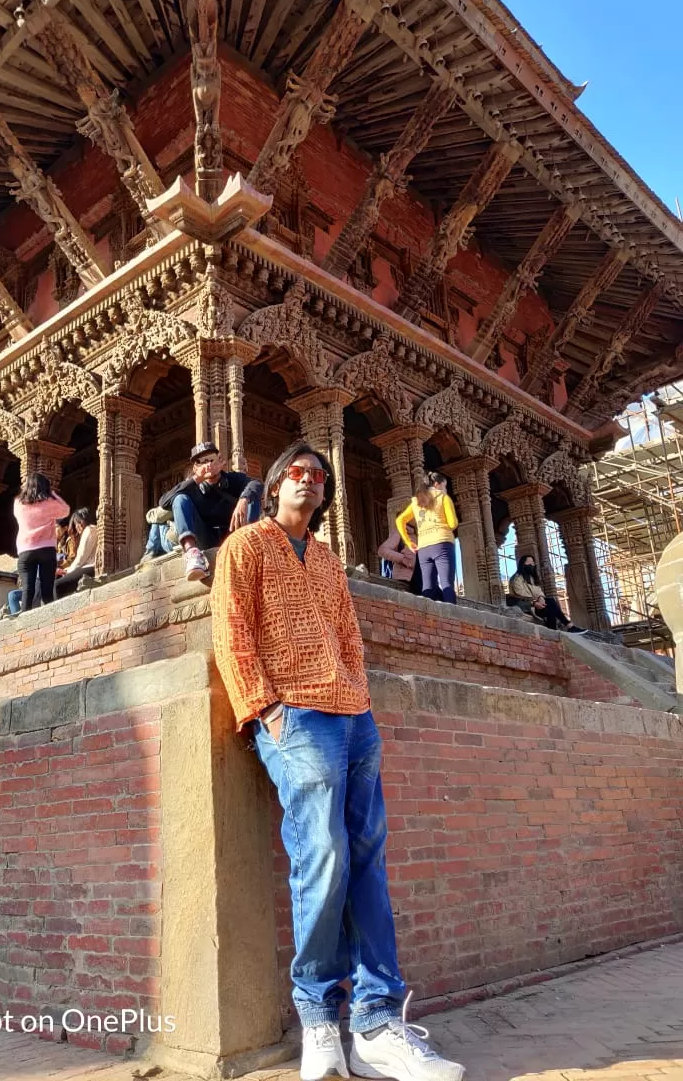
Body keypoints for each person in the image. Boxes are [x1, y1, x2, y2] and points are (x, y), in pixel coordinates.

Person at [211, 441, 465, 1081]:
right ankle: (320, 1019)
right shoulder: (244, 547)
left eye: (321, 476)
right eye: (297, 472)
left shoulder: (325, 561)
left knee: (367, 857)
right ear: (274, 485)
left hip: (353, 718)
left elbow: (349, 636)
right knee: (321, 852)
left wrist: (358, 694)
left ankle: (377, 1021)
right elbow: (232, 629)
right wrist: (265, 708)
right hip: (292, 714)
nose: (310, 481)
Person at [158, 441, 263, 581]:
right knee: (180, 498)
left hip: (234, 532)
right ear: (195, 467)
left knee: (251, 495)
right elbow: (164, 502)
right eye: (201, 462)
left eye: (211, 460)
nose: (208, 465)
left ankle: (250, 546)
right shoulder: (192, 487)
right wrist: (197, 479)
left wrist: (243, 499)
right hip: (205, 536)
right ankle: (192, 553)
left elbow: (257, 484)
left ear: (220, 460)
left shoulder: (234, 479)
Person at [396, 471, 459, 605]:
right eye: (444, 485)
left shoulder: (416, 501)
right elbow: (453, 523)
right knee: (447, 583)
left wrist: (408, 542)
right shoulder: (443, 498)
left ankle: (428, 620)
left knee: (428, 586)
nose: (445, 489)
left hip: (423, 546)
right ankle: (452, 620)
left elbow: (400, 520)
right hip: (442, 543)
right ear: (437, 484)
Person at [13, 473, 69, 611]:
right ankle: (47, 619)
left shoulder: (19, 503)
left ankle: (24, 618)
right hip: (46, 549)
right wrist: (53, 494)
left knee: (28, 589)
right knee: (47, 590)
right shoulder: (49, 503)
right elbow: (66, 511)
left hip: (25, 550)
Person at [509, 555, 587, 633]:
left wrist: (541, 598)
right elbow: (521, 595)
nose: (533, 565)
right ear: (524, 564)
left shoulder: (530, 578)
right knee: (550, 605)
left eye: (533, 563)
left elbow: (537, 591)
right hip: (525, 606)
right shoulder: (517, 579)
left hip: (536, 604)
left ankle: (560, 628)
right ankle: (567, 626)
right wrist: (534, 602)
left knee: (550, 603)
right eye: (531, 563)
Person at [56, 507, 98, 597]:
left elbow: (81, 558)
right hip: (86, 566)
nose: (77, 528)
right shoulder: (92, 529)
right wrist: (66, 570)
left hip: (91, 567)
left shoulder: (89, 530)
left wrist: (67, 571)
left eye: (76, 524)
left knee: (57, 586)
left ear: (81, 522)